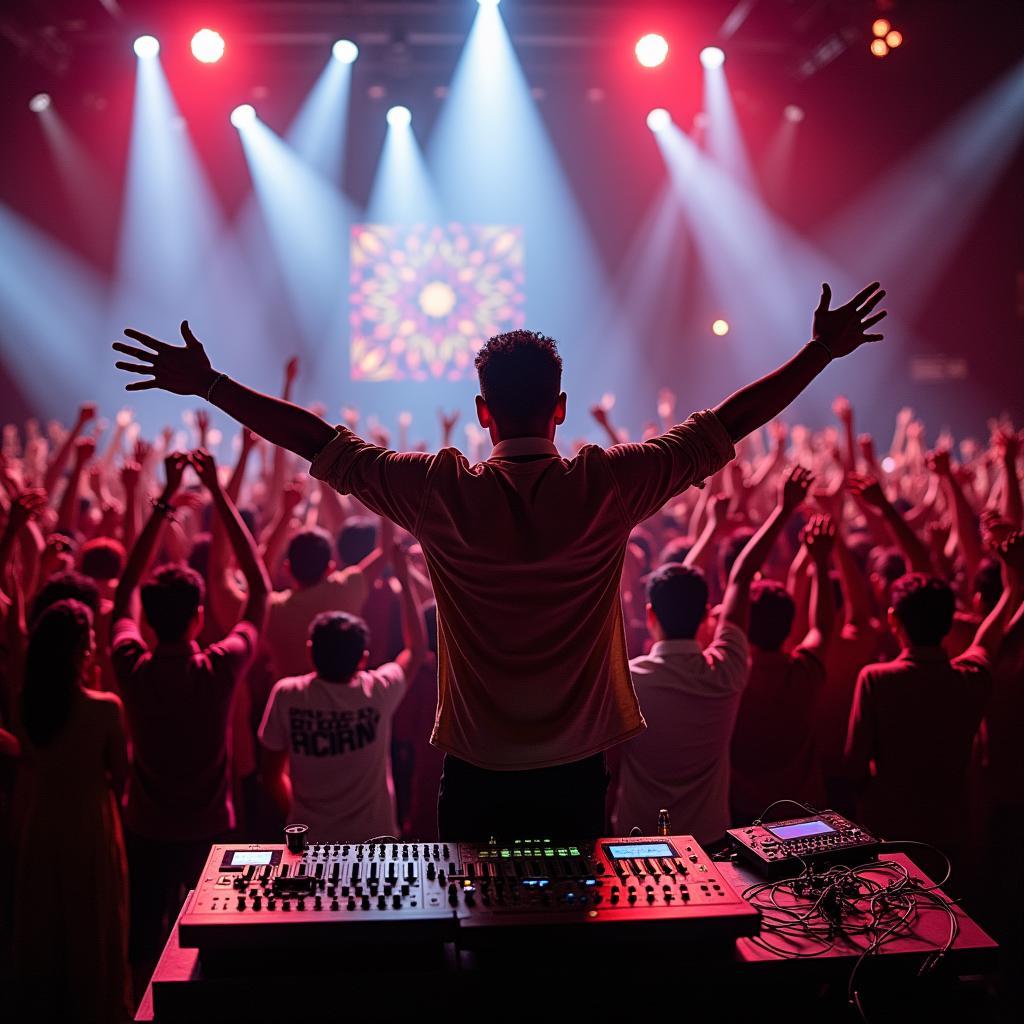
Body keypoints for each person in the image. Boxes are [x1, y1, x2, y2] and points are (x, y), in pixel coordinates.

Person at [113, 280, 887, 839]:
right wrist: (817, 352)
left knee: (477, 956)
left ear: (482, 412)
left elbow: (317, 443)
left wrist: (211, 383)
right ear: (560, 406)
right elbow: (727, 425)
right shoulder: (606, 485)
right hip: (578, 776)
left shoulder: (437, 490)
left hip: (476, 775)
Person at [111, 451, 270, 980]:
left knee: (143, 942)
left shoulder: (131, 664)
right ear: (199, 616)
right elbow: (259, 592)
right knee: (215, 944)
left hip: (146, 827)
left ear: (150, 622)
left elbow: (125, 590)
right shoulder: (218, 668)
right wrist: (218, 493)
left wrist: (161, 501)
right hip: (208, 828)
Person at [612, 466, 813, 844]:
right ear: (706, 613)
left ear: (652, 615)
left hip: (634, 839)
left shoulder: (629, 678)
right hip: (709, 840)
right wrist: (783, 509)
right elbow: (740, 577)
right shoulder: (726, 670)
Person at [844, 551, 1021, 860]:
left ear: (893, 619)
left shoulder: (876, 680)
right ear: (949, 621)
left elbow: (854, 766)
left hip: (889, 832)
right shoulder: (971, 679)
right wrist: (1013, 589)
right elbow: (986, 642)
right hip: (952, 832)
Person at [11, 599, 132, 1022]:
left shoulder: (24, 703)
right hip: (90, 822)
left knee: (46, 929)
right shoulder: (104, 708)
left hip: (42, 819)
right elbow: (120, 772)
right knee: (92, 928)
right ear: (81, 650)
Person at [258, 542, 426, 841]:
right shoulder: (377, 690)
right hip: (376, 841)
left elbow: (270, 775)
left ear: (311, 653)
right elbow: (415, 650)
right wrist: (402, 574)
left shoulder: (287, 695)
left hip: (309, 842)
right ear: (362, 659)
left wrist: (297, 820)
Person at [730, 513, 837, 823]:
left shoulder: (734, 677)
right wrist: (819, 562)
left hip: (746, 811)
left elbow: (740, 577)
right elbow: (823, 627)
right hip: (805, 809)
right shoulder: (805, 670)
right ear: (791, 625)